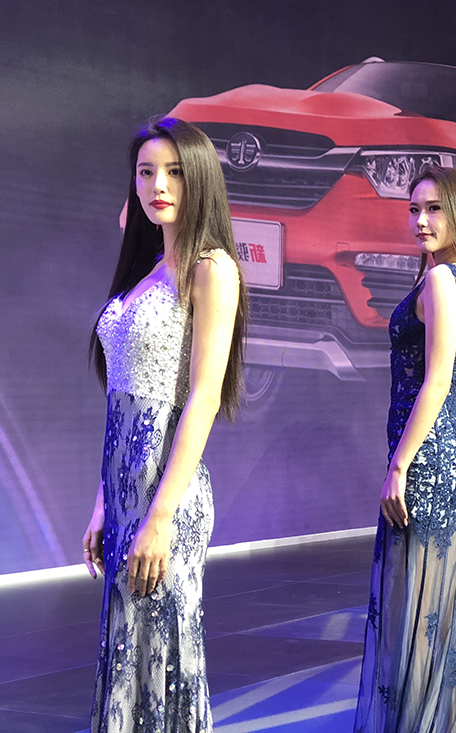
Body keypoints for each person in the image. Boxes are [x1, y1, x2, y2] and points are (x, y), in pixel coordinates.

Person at [84, 117, 247, 731]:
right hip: (125, 489)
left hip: (166, 495)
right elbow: (120, 404)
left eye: (174, 172)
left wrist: (159, 517)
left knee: (164, 658)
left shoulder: (212, 268)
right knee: (128, 652)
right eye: (146, 172)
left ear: (199, 177)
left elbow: (203, 398)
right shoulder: (149, 268)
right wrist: (104, 500)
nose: (158, 185)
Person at [354, 166, 456, 733]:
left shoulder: (443, 278)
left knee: (416, 609)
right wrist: (445, 415)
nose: (420, 220)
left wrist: (400, 463)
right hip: (450, 450)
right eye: (414, 209)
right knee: (445, 608)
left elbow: (439, 378)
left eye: (434, 208)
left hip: (426, 460)